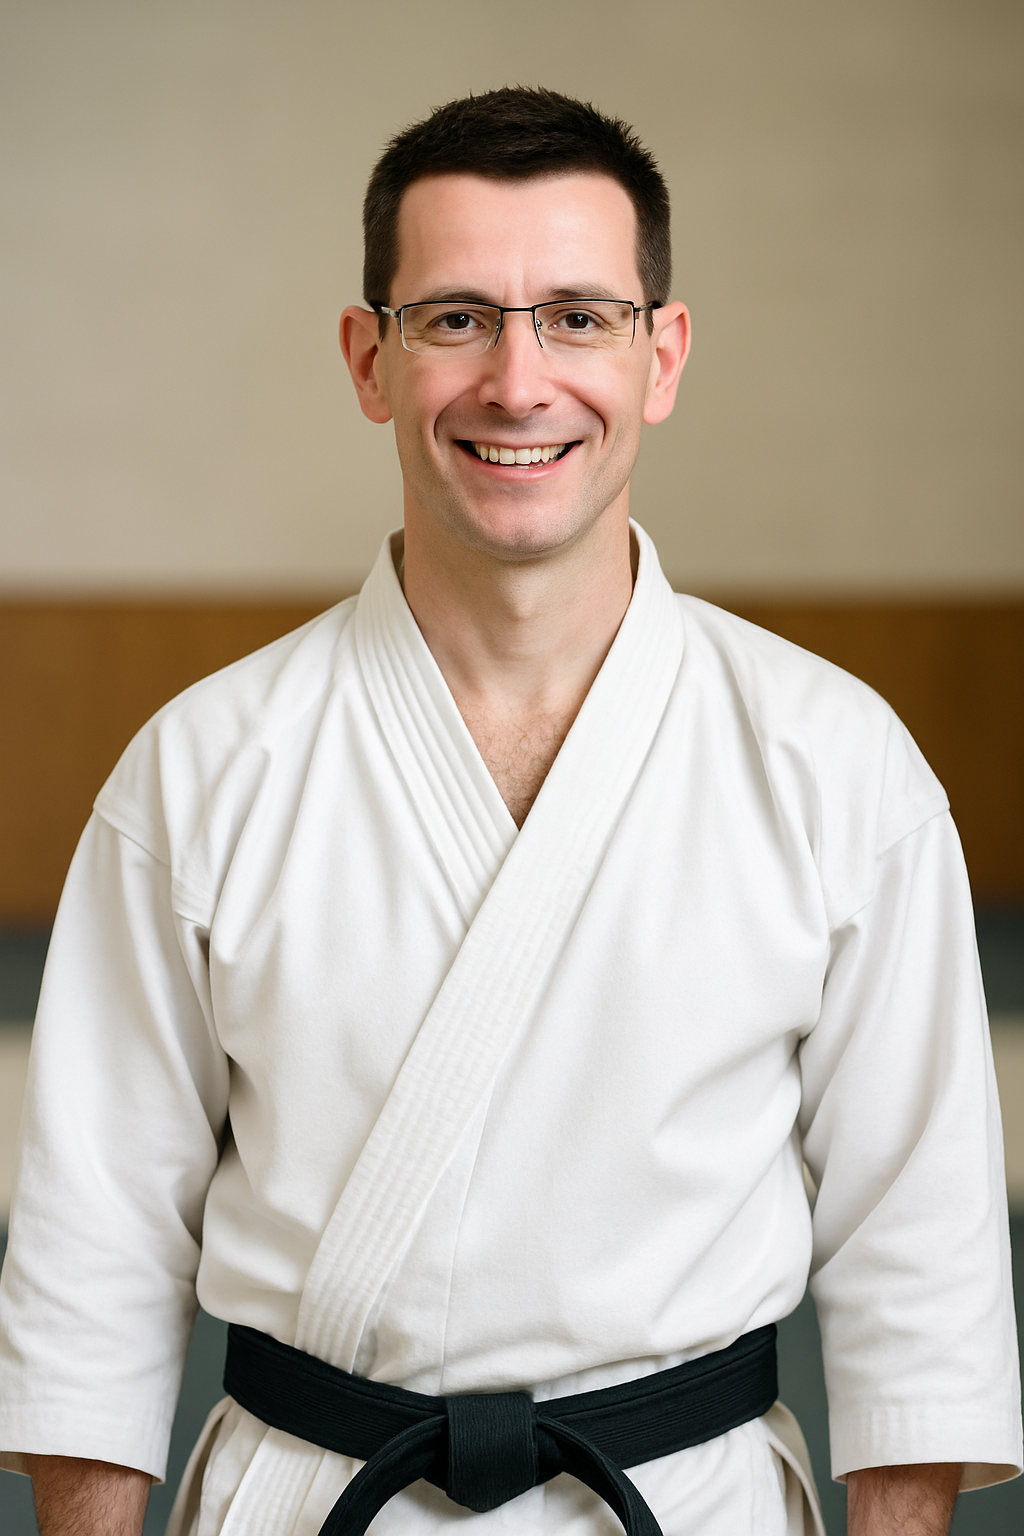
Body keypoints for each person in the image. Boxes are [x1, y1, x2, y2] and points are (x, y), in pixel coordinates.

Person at [0, 87, 1019, 1536]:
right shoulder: (202, 766)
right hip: (310, 1503)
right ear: (370, 358)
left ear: (663, 357)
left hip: (690, 1502)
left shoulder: (834, 762)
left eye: (580, 318)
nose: (519, 380)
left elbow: (919, 1254)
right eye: (457, 317)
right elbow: (95, 1248)